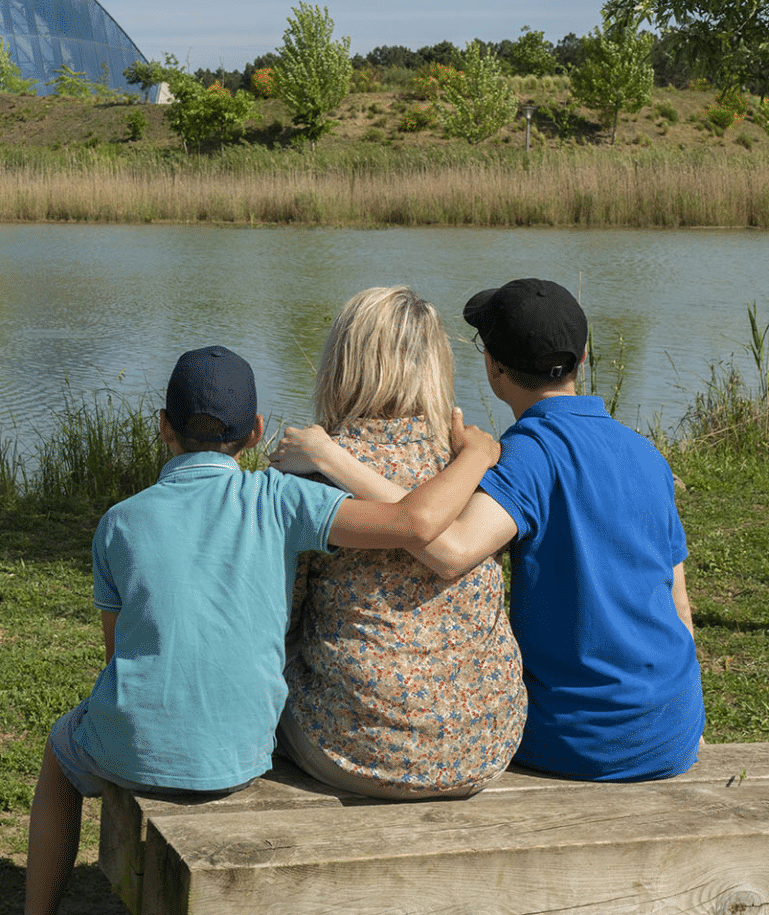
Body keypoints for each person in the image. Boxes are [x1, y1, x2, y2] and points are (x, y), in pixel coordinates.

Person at [25, 344, 500, 915]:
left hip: (137, 747)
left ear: (162, 428)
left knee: (60, 751)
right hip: (244, 755)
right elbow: (413, 522)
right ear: (254, 432)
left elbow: (118, 654)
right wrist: (478, 454)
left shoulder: (119, 522)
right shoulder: (279, 499)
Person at [271, 278, 703, 782]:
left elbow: (449, 546)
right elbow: (680, 602)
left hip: (578, 740)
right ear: (583, 355)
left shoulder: (527, 457)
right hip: (675, 728)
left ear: (494, 368)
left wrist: (333, 459)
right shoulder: (648, 456)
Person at [280, 286, 525, 799]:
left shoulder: (307, 472)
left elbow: (278, 615)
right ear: (435, 365)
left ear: (343, 361)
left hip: (354, 748)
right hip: (482, 743)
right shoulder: (470, 466)